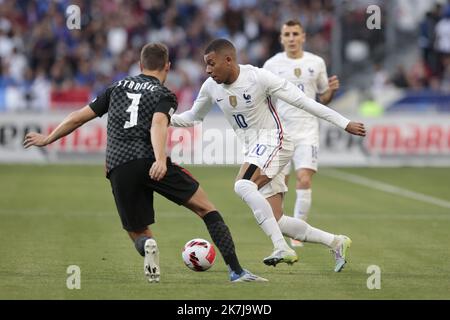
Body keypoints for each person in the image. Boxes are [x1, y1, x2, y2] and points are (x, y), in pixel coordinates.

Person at [23, 42, 267, 283]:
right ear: (167, 66)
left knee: (137, 231)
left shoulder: (116, 87)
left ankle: (147, 245)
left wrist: (48, 138)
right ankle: (236, 271)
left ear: (140, 65)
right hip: (150, 160)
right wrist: (160, 159)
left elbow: (78, 117)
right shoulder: (164, 94)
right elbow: (159, 123)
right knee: (206, 209)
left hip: (118, 164)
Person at [171, 39, 366, 272]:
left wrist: (344, 123)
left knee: (242, 185)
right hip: (256, 150)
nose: (208, 70)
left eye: (212, 64)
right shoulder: (211, 87)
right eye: (206, 65)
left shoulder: (258, 78)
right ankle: (335, 241)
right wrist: (165, 117)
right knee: (277, 219)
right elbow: (193, 116)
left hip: (276, 141)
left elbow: (304, 102)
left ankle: (281, 247)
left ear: (228, 60)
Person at [263, 19, 340, 247]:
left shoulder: (316, 62)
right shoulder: (271, 65)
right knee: (281, 183)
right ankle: (282, 228)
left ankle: (298, 232)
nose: (291, 38)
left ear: (303, 37)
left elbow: (323, 97)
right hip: (281, 133)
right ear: (281, 38)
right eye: (287, 34)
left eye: (295, 34)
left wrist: (331, 92)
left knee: (304, 179)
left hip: (307, 130)